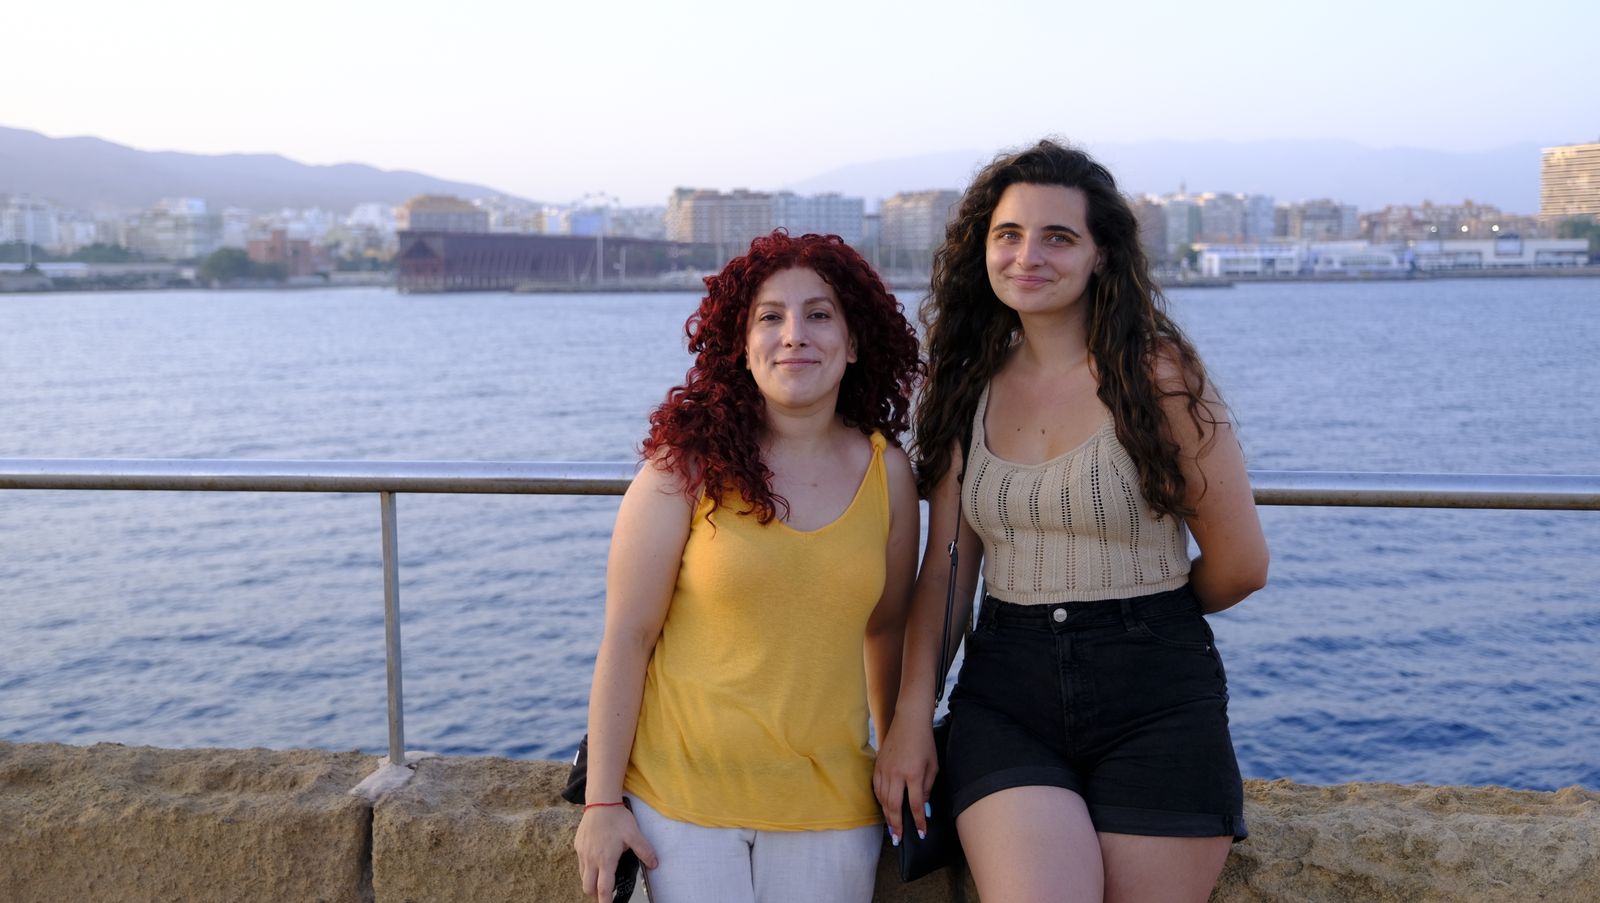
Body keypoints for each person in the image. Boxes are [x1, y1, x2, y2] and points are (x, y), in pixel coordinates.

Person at [874, 140, 1269, 903]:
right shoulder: (968, 385)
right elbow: (947, 580)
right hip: (1007, 695)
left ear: (1100, 256)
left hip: (1156, 697)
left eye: (1059, 237)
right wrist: (910, 717)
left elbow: (1242, 563)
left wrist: (1144, 612)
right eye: (1009, 234)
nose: (1030, 255)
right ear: (981, 250)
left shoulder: (1157, 374)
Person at [574, 230, 923, 902]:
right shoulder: (684, 467)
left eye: (819, 315)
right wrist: (600, 804)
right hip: (677, 802)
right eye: (771, 316)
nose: (795, 334)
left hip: (830, 806)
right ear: (741, 343)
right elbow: (627, 635)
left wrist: (895, 749)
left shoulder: (890, 475)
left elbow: (887, 630)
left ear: (853, 344)